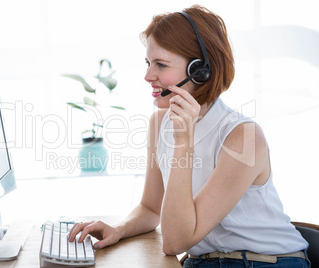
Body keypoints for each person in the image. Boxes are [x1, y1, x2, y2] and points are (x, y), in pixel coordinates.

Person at [68, 5, 310, 267]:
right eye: (148, 63)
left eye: (161, 64)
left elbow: (175, 241)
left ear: (200, 70)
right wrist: (119, 229)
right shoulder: (159, 123)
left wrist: (183, 143)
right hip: (203, 262)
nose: (148, 76)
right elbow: (151, 209)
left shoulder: (244, 137)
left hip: (265, 262)